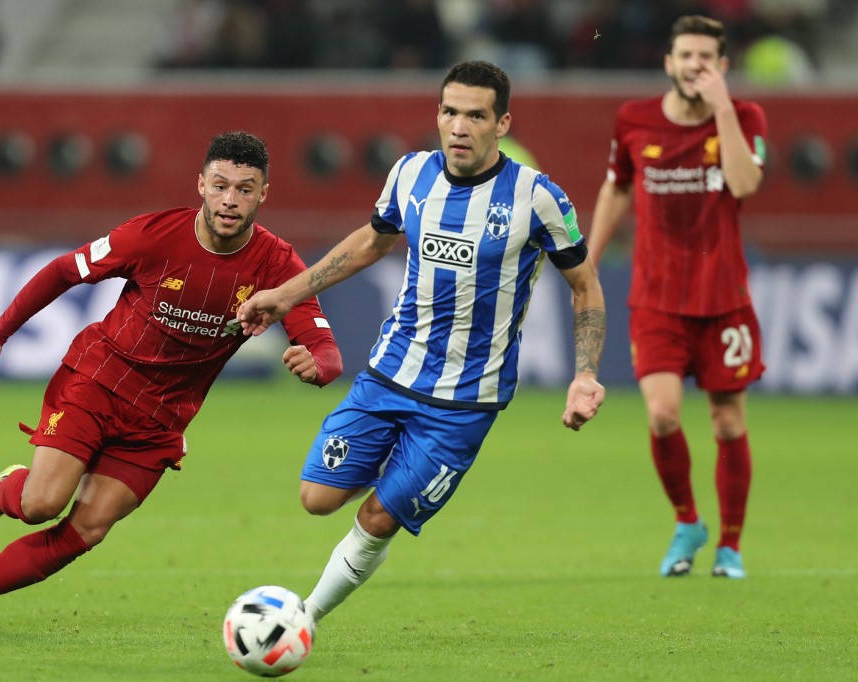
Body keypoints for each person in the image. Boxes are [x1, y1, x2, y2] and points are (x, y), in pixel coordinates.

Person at [0, 131, 344, 633]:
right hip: (99, 380)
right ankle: (6, 492)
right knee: (41, 504)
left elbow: (322, 341)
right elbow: (62, 271)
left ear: (263, 194)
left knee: (87, 529)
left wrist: (321, 366)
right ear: (201, 184)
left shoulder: (276, 264)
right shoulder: (154, 235)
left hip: (163, 418)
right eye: (221, 185)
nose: (231, 200)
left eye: (245, 189)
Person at [237, 60, 606, 623]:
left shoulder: (537, 198)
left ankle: (303, 619)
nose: (460, 127)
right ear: (438, 114)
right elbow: (371, 242)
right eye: (450, 112)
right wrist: (287, 293)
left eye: (476, 115)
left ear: (502, 123)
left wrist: (585, 374)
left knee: (380, 519)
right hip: (389, 373)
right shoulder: (410, 174)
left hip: (464, 400)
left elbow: (584, 286)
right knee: (316, 499)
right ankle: (394, 470)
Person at [587, 15, 767, 579]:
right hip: (657, 299)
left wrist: (723, 111)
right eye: (685, 55)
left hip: (724, 301)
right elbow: (616, 185)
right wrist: (587, 264)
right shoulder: (634, 119)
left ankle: (731, 546)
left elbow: (744, 184)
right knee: (663, 416)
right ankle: (687, 520)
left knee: (728, 425)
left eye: (706, 57)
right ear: (668, 63)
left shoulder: (744, 117)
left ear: (722, 66)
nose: (695, 65)